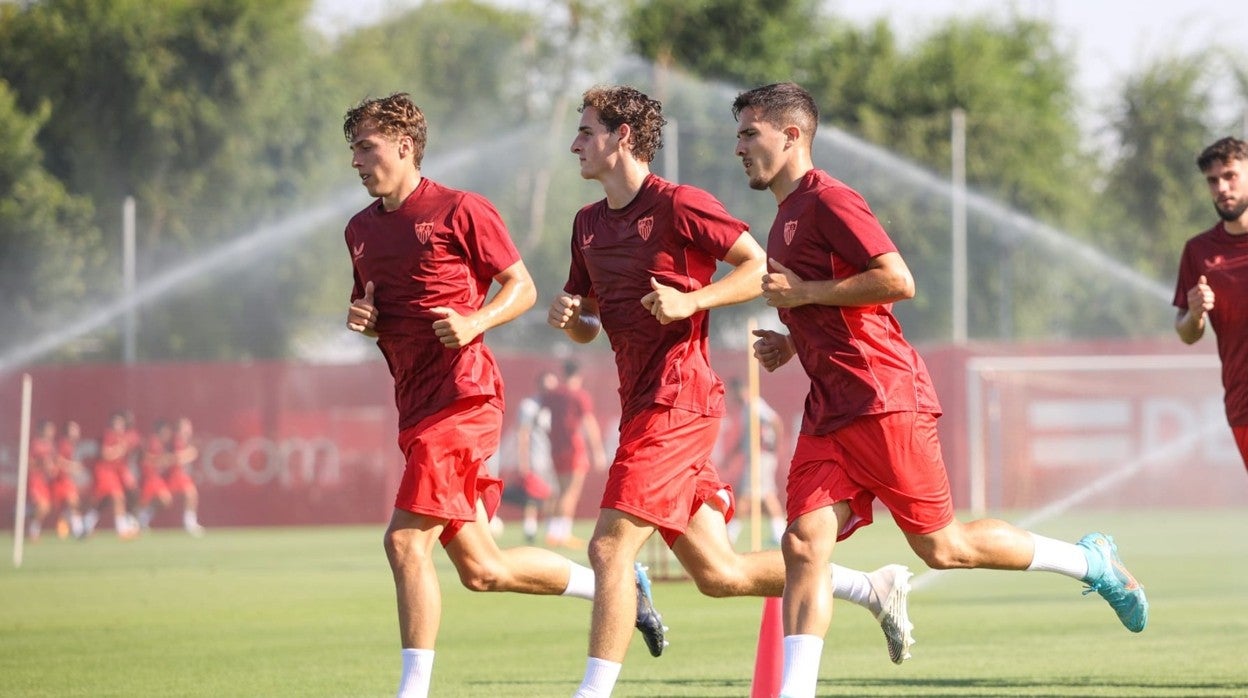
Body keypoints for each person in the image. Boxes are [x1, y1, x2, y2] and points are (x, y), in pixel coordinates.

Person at [731, 81, 1149, 698]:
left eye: (748, 133)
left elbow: (897, 280)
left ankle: (1091, 562)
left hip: (883, 399)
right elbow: (832, 300)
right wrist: (792, 339)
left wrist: (806, 295)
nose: (737, 147)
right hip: (829, 409)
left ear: (791, 136)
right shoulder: (786, 215)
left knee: (944, 548)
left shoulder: (829, 200)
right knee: (801, 545)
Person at [549, 85, 916, 698]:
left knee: (611, 549)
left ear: (623, 139)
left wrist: (692, 299)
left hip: (679, 400)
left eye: (586, 132)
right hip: (642, 405)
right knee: (719, 575)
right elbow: (591, 326)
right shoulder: (586, 225)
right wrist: (574, 320)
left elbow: (755, 268)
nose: (575, 144)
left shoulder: (679, 205)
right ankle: (868, 587)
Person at [340, 92, 666, 698]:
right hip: (415, 407)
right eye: (354, 149)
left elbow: (520, 288)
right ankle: (619, 585)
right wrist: (366, 319)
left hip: (464, 399)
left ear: (404, 147)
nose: (356, 161)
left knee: (405, 539)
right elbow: (383, 311)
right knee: (482, 570)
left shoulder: (461, 209)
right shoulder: (359, 230)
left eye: (367, 147)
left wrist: (474, 322)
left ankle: (411, 692)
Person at [1174, 136, 1248, 471]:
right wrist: (1195, 313)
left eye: (1230, 175)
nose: (1222, 187)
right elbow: (1187, 333)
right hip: (1243, 403)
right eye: (1213, 180)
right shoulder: (1199, 251)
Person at [542, 358, 607, 548]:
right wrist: (598, 451)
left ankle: (553, 532)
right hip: (573, 447)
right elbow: (589, 422)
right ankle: (563, 533)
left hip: (556, 447)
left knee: (561, 491)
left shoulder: (554, 394)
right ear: (579, 374)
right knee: (570, 493)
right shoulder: (580, 395)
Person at [721, 377, 786, 547]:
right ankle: (779, 534)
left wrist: (774, 446)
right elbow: (744, 439)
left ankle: (730, 536)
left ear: (739, 390)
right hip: (756, 458)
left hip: (760, 458)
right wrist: (731, 457)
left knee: (746, 495)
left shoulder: (755, 404)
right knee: (767, 496)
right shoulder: (746, 409)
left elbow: (775, 421)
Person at [513, 369, 558, 544]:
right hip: (536, 456)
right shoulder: (530, 405)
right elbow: (523, 433)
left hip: (553, 457)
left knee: (553, 493)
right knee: (533, 494)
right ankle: (529, 528)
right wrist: (523, 461)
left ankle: (549, 528)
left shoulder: (557, 406)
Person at [168, 417, 206, 536]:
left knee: (191, 494)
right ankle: (141, 519)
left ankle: (190, 523)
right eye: (186, 426)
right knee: (161, 499)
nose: (189, 429)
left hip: (181, 476)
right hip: (172, 475)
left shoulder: (186, 442)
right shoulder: (176, 441)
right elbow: (177, 458)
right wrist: (191, 453)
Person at [25, 419, 56, 541]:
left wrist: (51, 468)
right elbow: (28, 462)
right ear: (42, 430)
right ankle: (32, 532)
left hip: (44, 481)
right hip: (34, 479)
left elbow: (51, 462)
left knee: (46, 507)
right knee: (43, 506)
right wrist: (40, 463)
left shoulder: (50, 445)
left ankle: (22, 514)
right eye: (49, 429)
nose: (51, 432)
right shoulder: (35, 444)